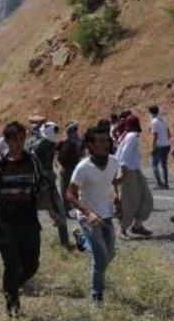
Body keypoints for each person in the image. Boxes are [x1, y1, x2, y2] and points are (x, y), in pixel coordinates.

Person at [0, 122, 63, 317]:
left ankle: (12, 287)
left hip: (29, 218)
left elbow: (42, 187)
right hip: (6, 221)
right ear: (7, 141)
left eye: (22, 139)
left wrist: (51, 212)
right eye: (15, 140)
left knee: (32, 265)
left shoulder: (32, 161)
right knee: (12, 264)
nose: (20, 143)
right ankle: (12, 306)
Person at [67, 126, 122, 305]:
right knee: (100, 258)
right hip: (88, 217)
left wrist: (117, 200)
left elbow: (111, 181)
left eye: (107, 140)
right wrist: (88, 212)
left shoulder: (113, 162)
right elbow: (70, 194)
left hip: (106, 214)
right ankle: (97, 295)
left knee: (110, 254)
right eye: (101, 141)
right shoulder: (83, 168)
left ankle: (82, 241)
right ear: (90, 145)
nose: (106, 144)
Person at [28, 121, 70, 248]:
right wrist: (45, 173)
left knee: (60, 210)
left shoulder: (49, 143)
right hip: (38, 183)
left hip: (49, 182)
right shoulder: (38, 145)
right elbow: (32, 163)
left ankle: (65, 243)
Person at [114, 115, 153, 237]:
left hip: (135, 171)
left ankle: (137, 226)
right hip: (128, 172)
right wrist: (122, 175)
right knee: (129, 203)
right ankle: (122, 229)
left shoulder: (127, 136)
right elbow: (124, 157)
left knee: (146, 199)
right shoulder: (131, 136)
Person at [56, 121, 83, 214]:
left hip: (69, 168)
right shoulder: (75, 141)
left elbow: (60, 157)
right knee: (72, 187)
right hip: (72, 167)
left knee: (66, 187)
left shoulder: (69, 142)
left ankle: (67, 207)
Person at [149, 105, 172, 189]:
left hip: (159, 146)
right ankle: (166, 183)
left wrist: (153, 147)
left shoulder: (154, 121)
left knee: (154, 164)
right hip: (166, 145)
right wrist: (165, 140)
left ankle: (159, 183)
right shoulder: (163, 119)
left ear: (150, 112)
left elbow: (155, 136)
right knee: (164, 165)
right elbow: (169, 133)